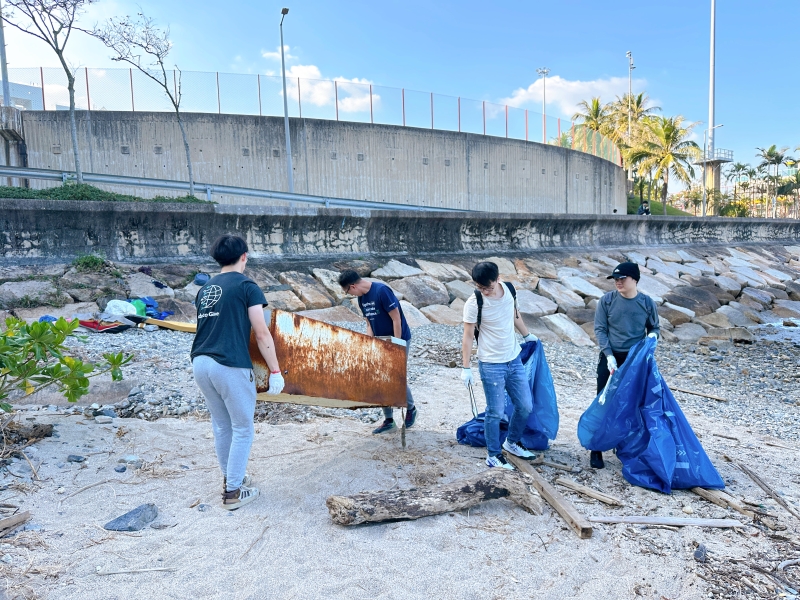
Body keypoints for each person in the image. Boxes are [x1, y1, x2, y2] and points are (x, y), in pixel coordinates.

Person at [191, 234, 285, 510]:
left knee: (221, 425)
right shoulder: (247, 285)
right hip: (228, 364)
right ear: (244, 256)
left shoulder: (205, 289)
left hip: (200, 362)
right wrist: (275, 370)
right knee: (243, 428)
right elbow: (261, 332)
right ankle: (233, 492)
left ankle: (233, 477)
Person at [460, 262, 540, 470]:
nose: (484, 291)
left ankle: (511, 442)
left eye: (488, 287)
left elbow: (514, 315)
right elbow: (468, 336)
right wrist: (466, 367)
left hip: (513, 358)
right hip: (490, 363)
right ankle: (493, 454)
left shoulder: (510, 290)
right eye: (480, 287)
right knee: (495, 412)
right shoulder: (474, 302)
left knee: (525, 406)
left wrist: (526, 334)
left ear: (497, 279)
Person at [591, 261, 660, 469]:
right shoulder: (607, 301)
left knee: (633, 403)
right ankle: (596, 449)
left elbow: (654, 327)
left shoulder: (647, 303)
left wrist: (653, 338)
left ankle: (627, 446)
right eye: (615, 279)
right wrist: (609, 355)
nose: (618, 283)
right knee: (603, 402)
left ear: (634, 280)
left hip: (636, 360)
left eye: (622, 279)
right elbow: (600, 329)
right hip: (610, 358)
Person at [337, 269, 417, 434]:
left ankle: (411, 409)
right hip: (380, 340)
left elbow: (397, 319)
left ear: (352, 286)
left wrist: (397, 345)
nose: (350, 294)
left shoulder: (381, 291)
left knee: (396, 376)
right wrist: (370, 344)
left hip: (399, 338)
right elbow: (369, 323)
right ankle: (389, 420)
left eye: (347, 291)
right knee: (380, 378)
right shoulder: (362, 299)